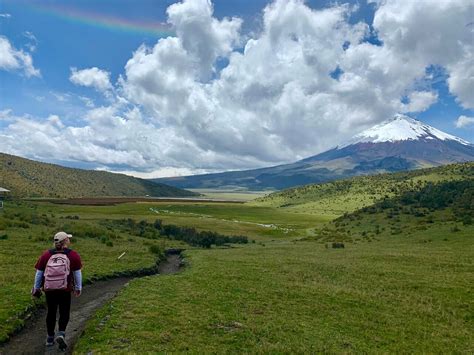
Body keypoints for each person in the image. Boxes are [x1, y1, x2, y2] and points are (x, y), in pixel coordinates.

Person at [32, 231, 82, 351]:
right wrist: (78, 287)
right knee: (64, 311)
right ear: (65, 241)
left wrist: (36, 288)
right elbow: (77, 273)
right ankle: (61, 333)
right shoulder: (73, 255)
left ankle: (49, 338)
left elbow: (39, 273)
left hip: (49, 290)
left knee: (51, 312)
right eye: (68, 239)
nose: (69, 241)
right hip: (65, 289)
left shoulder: (46, 255)